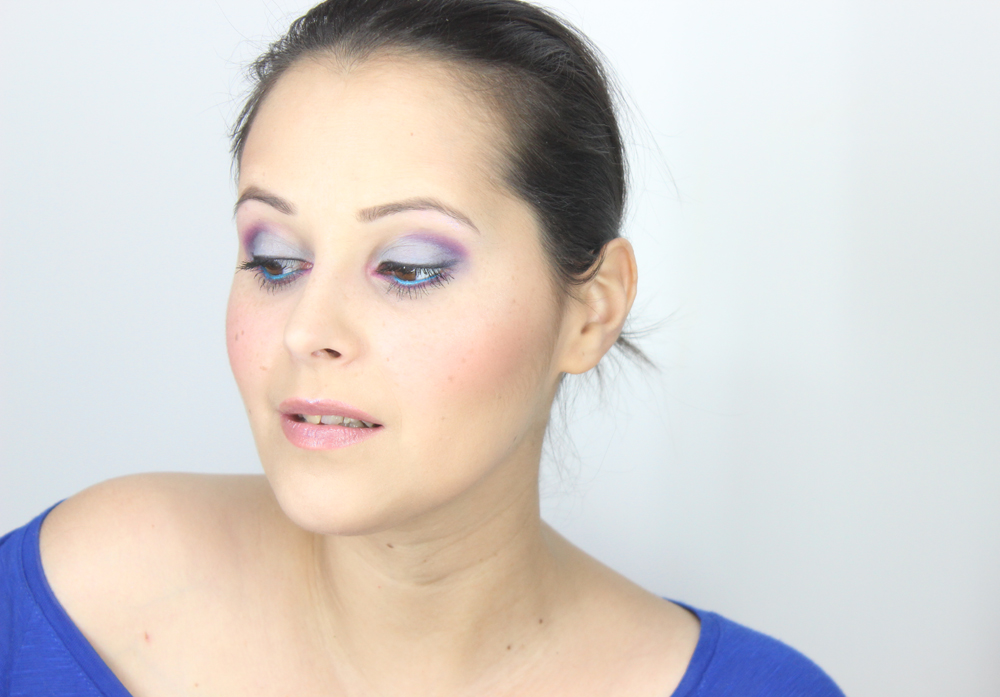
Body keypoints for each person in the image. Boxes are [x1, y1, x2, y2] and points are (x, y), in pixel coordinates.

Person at [0, 0, 844, 694]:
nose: (307, 330)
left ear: (590, 312)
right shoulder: (67, 596)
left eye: (408, 268)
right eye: (275, 260)